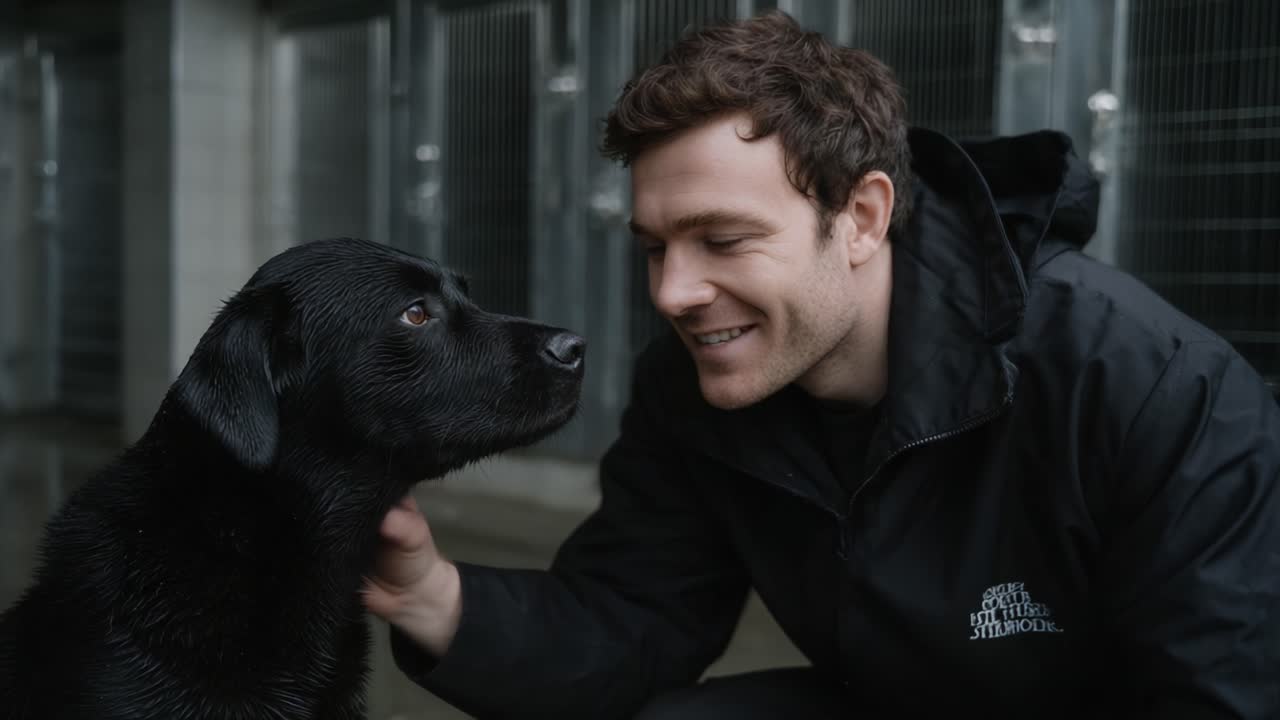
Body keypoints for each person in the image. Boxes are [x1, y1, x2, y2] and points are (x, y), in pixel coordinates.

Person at [362, 10, 1280, 719]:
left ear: (864, 217)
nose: (675, 292)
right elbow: (632, 623)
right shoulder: (692, 385)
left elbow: (1221, 694)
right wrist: (433, 595)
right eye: (653, 248)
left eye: (722, 238)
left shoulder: (1152, 385)